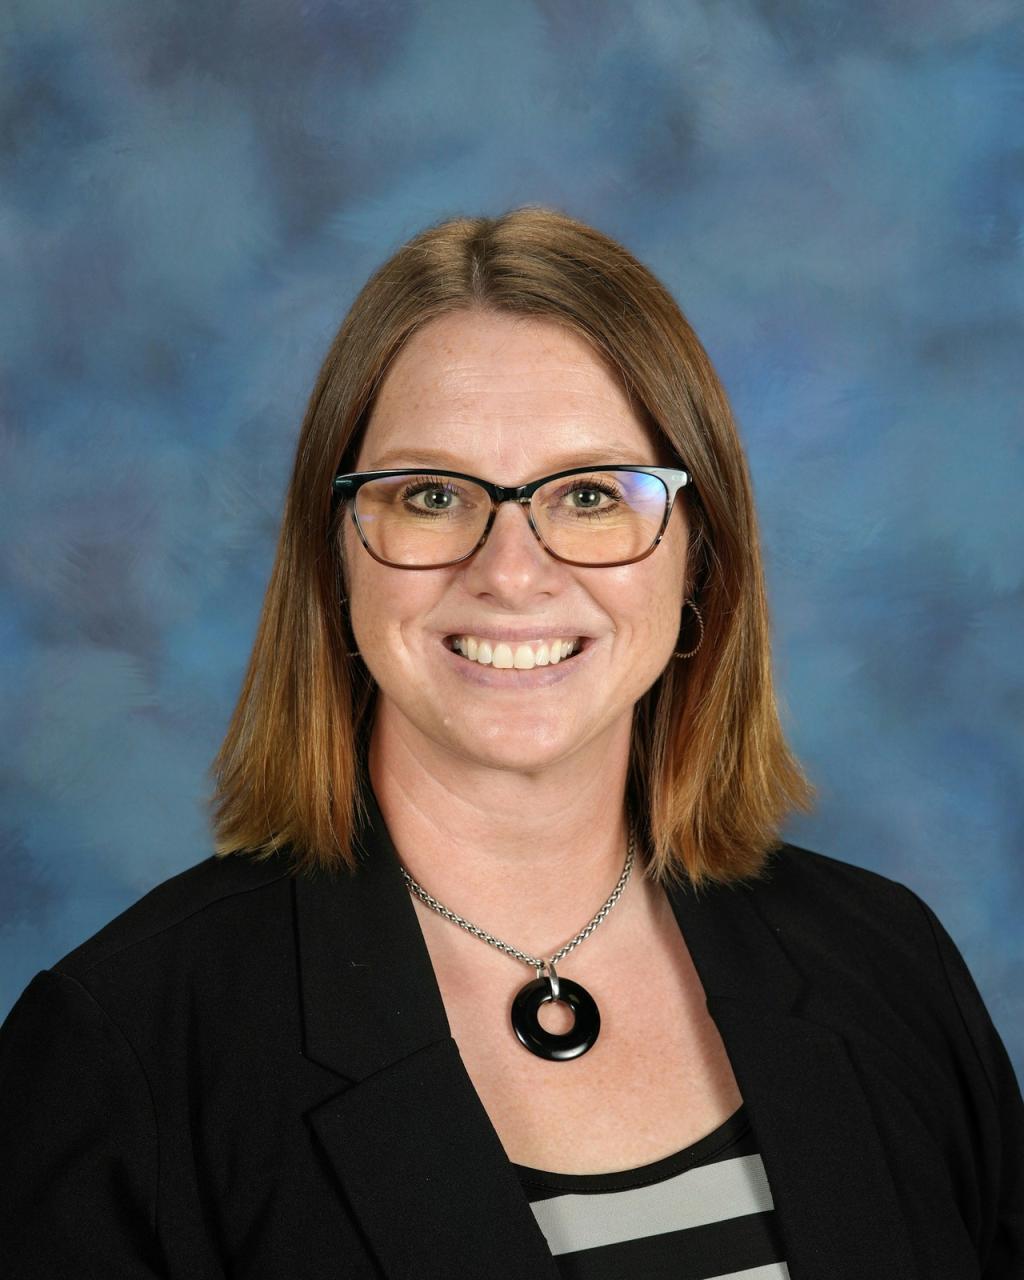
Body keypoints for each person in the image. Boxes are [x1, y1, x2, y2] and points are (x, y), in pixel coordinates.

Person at [0, 207, 1020, 1280]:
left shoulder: (883, 962)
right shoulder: (124, 1050)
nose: (511, 570)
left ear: (697, 559)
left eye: (588, 495)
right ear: (335, 553)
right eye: (431, 495)